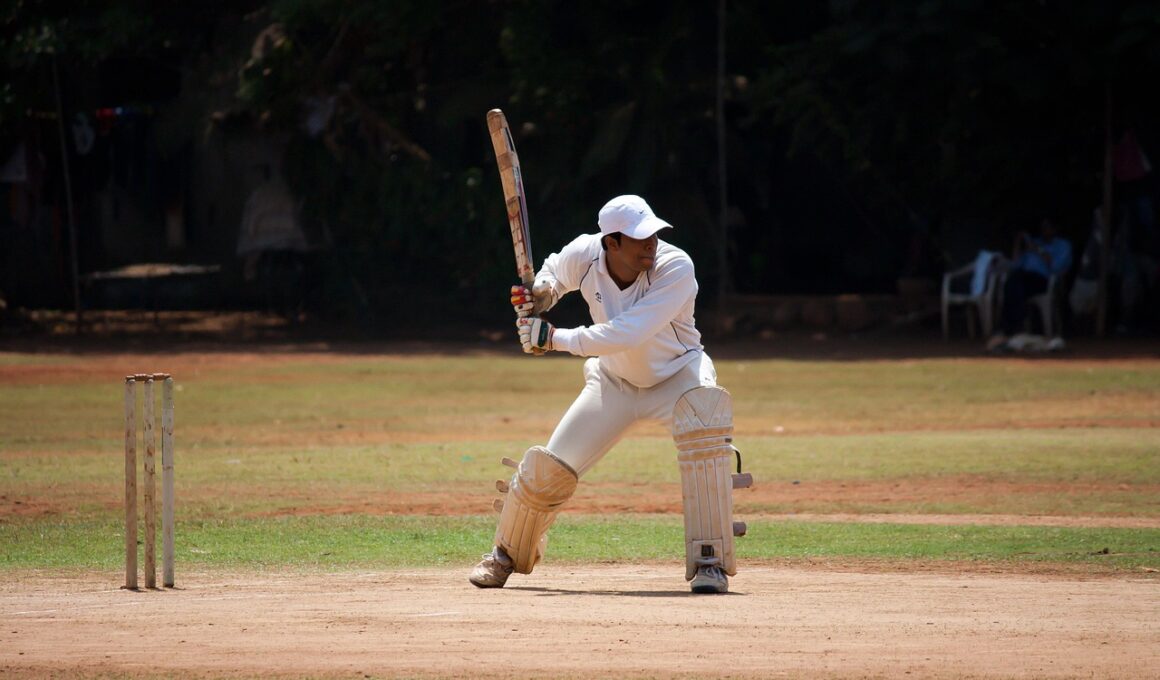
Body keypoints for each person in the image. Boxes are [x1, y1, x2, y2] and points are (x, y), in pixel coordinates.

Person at [469, 194, 748, 594]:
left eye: (653, 234)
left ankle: (711, 561)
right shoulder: (585, 253)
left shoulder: (675, 266)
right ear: (611, 242)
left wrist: (552, 338)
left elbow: (628, 332)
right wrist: (544, 291)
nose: (650, 244)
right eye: (639, 238)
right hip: (614, 382)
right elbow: (554, 270)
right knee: (549, 466)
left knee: (705, 424)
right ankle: (505, 554)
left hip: (678, 376)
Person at [986, 216, 1073, 351]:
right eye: (1042, 227)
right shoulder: (1033, 243)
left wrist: (1038, 249)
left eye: (1047, 227)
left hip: (1043, 280)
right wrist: (1018, 243)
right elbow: (1016, 265)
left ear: (1055, 229)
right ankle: (1014, 328)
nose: (1044, 230)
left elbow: (1056, 267)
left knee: (1015, 283)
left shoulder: (1062, 245)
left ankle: (1009, 328)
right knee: (1013, 282)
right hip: (1022, 278)